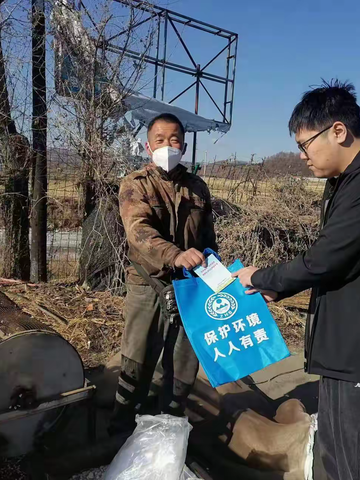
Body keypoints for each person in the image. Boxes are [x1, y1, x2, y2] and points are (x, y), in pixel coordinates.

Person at [233, 80, 360, 480]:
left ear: (339, 130)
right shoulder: (349, 181)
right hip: (350, 352)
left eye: (306, 144)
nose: (302, 156)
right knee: (337, 459)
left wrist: (263, 277)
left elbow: (327, 258)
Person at [110, 113, 217, 433]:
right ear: (148, 146)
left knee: (185, 359)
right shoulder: (136, 184)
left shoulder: (197, 186)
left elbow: (208, 239)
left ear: (183, 146)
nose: (167, 146)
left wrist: (221, 279)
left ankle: (168, 424)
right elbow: (138, 232)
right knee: (138, 355)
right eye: (160, 140)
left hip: (191, 285)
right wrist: (175, 255)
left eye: (174, 140)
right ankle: (122, 424)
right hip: (148, 283)